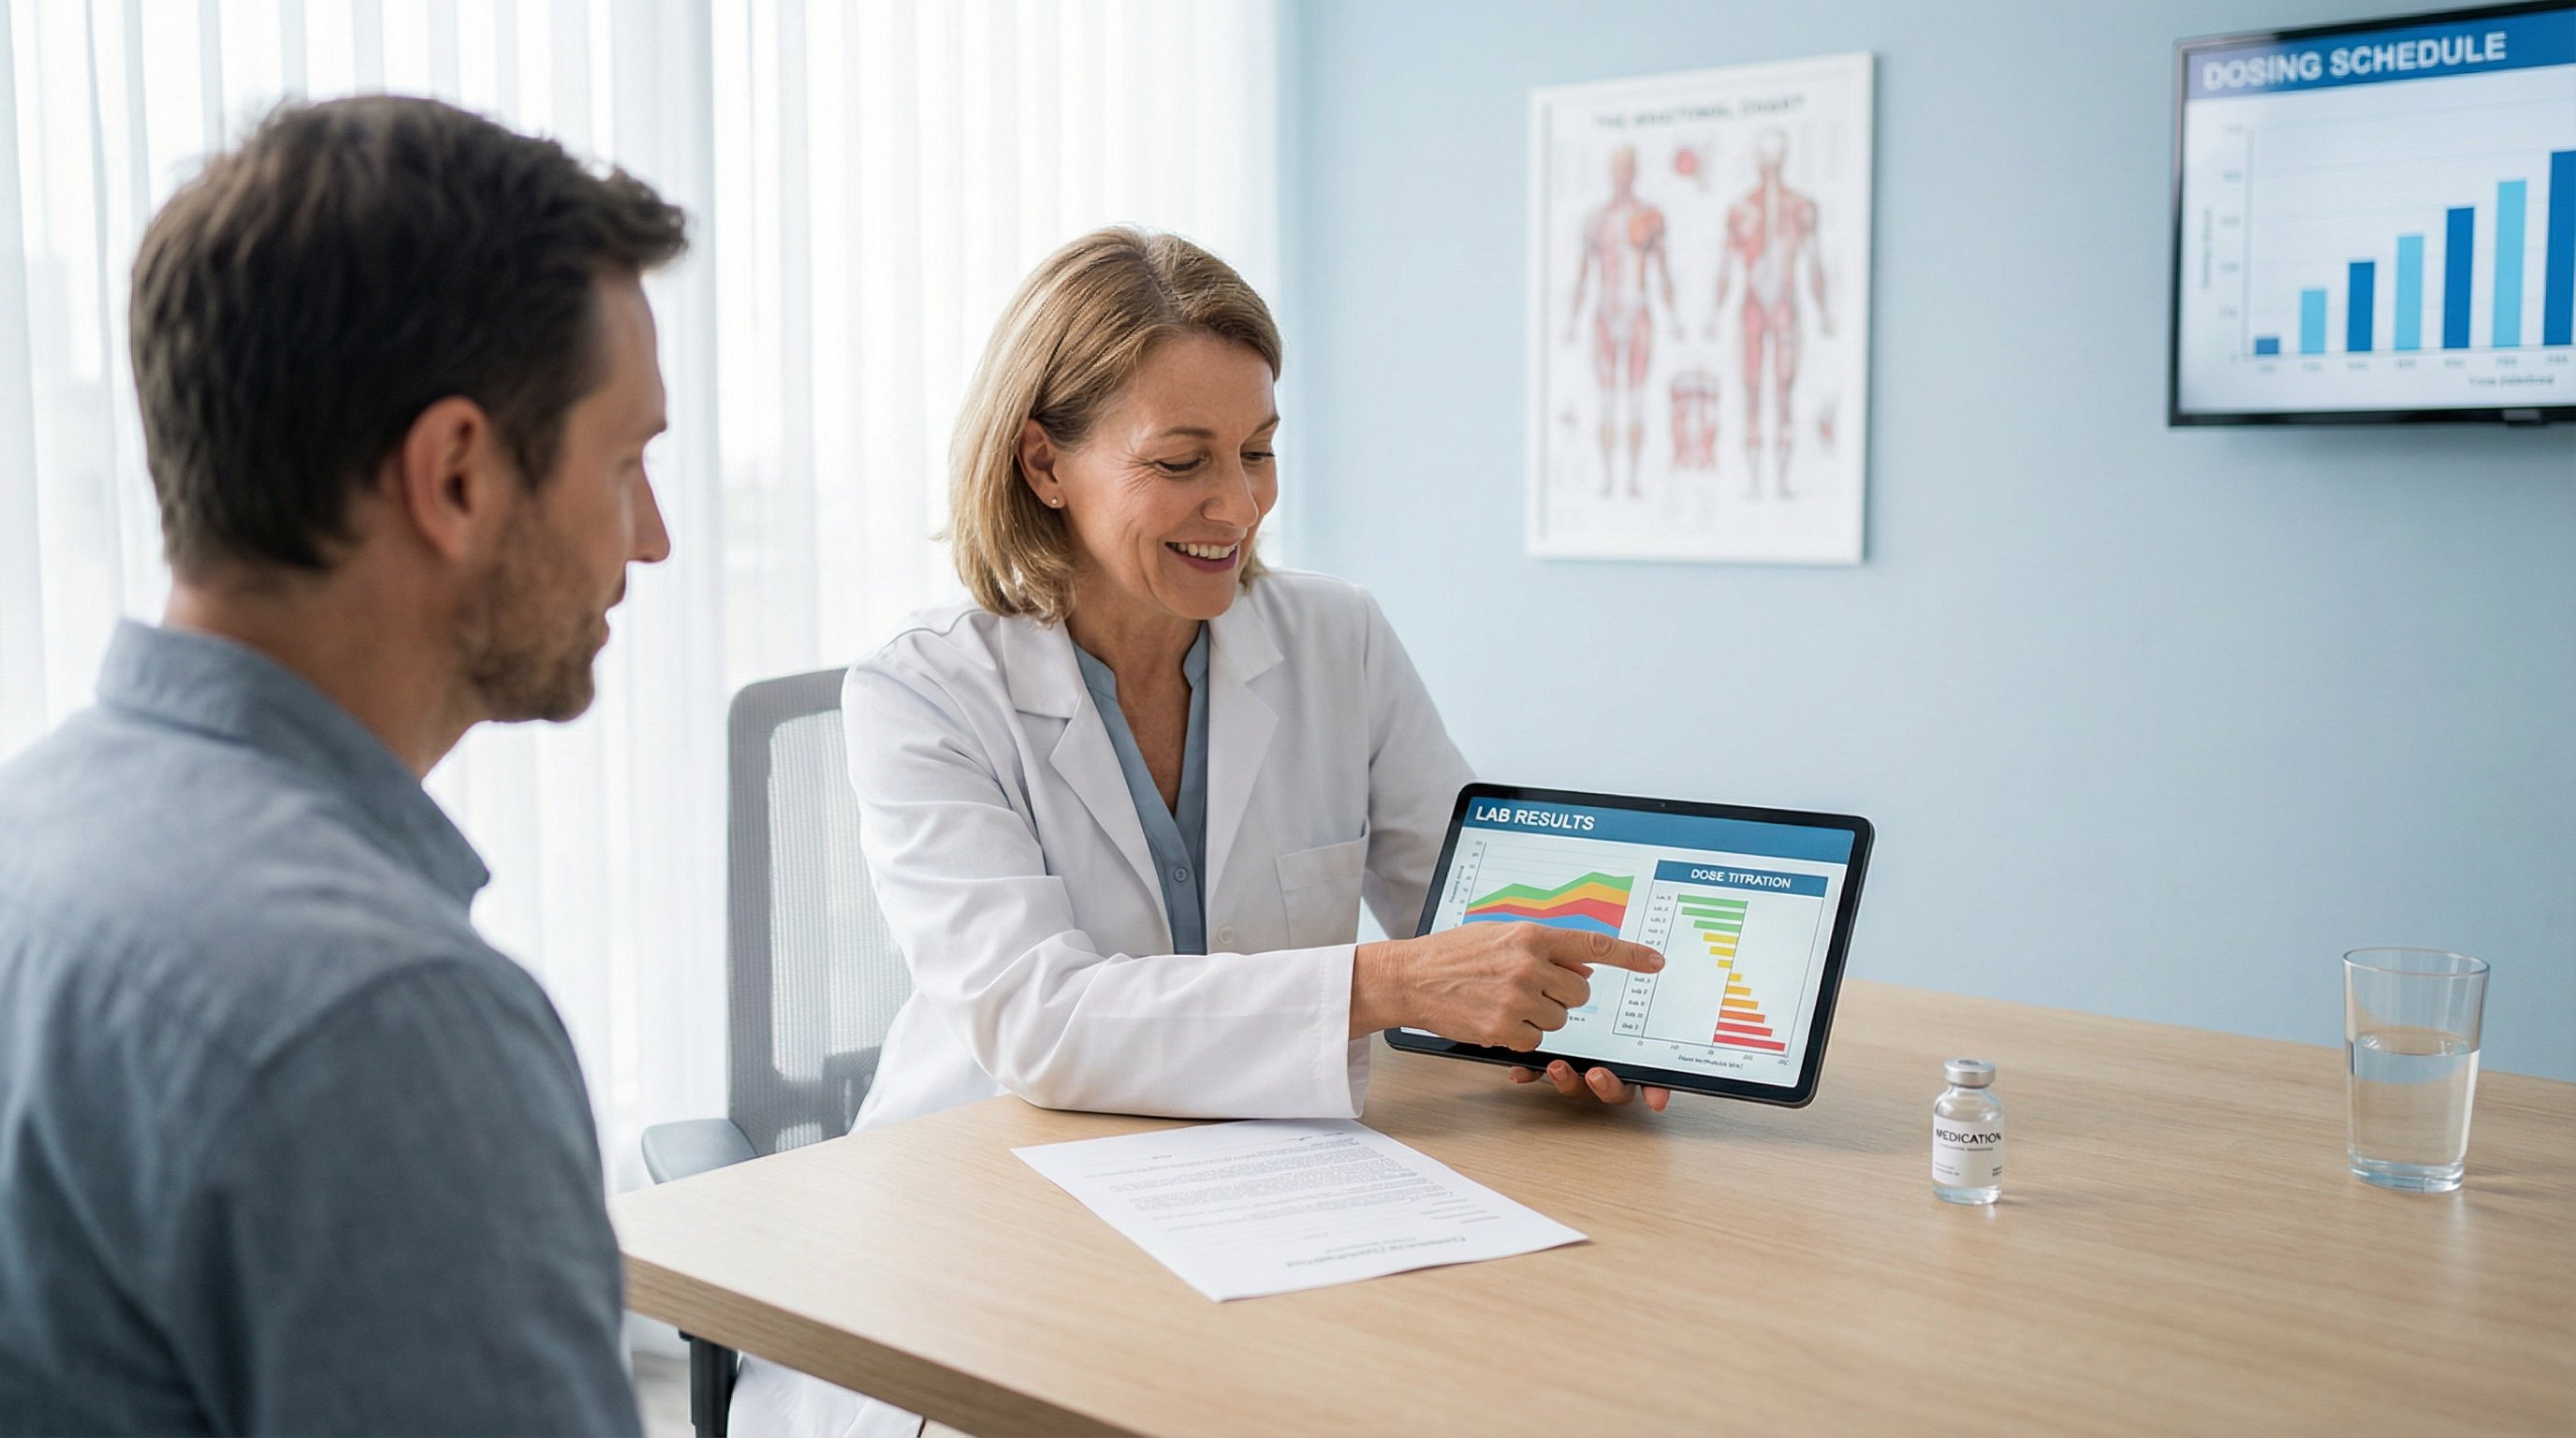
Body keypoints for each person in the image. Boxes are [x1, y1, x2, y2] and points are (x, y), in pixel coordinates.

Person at [732, 227, 1671, 1438]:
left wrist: (1562, 1016)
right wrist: (1391, 983)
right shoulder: (924, 694)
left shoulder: (1341, 641)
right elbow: (1041, 1023)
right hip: (995, 1231)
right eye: (1182, 462)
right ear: (1043, 463)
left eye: (1260, 452)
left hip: (1276, 1213)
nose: (1237, 504)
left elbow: (1472, 910)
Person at [0, 96, 683, 1434]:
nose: (648, 541)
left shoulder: (35, 836)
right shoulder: (385, 1025)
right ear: (458, 478)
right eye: (625, 465)